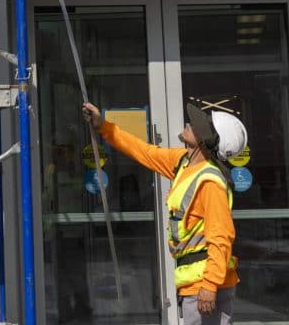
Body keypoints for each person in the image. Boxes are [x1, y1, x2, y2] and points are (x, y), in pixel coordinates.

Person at [82, 101, 247, 324]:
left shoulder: (210, 182)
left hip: (205, 285)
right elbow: (144, 152)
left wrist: (209, 285)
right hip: (194, 283)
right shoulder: (184, 163)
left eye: (198, 125)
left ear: (206, 141)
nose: (190, 123)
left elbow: (221, 238)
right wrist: (104, 126)